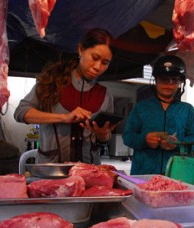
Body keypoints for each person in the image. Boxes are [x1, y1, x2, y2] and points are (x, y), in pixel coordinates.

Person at [14, 28, 118, 164]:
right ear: (81, 50)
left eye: (105, 63)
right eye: (95, 58)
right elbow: (20, 113)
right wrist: (64, 117)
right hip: (51, 171)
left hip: (89, 171)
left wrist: (102, 134)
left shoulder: (105, 95)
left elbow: (105, 138)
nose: (98, 67)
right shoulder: (51, 82)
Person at [122, 55, 194, 175]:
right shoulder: (141, 108)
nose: (169, 85)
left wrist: (178, 143)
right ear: (155, 80)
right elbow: (128, 137)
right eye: (164, 79)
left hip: (177, 174)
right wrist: (145, 139)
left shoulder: (187, 110)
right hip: (144, 174)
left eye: (174, 80)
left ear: (180, 82)